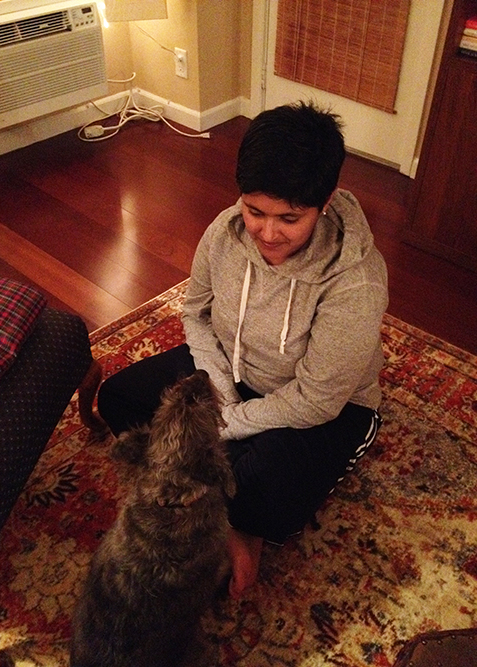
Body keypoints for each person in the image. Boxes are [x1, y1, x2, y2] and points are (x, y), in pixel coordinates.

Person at [97, 100, 388, 599]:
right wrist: (221, 394)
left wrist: (224, 423)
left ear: (325, 202)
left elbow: (318, 400)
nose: (268, 233)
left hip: (323, 405)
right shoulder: (223, 231)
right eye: (254, 212)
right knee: (119, 398)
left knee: (264, 483)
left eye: (289, 218)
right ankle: (223, 499)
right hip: (232, 374)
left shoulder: (355, 283)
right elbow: (196, 313)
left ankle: (239, 524)